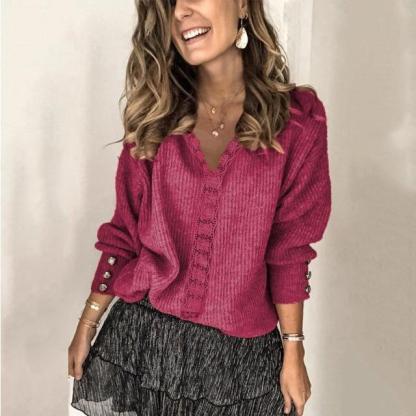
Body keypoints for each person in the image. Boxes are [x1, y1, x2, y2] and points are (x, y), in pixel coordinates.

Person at [68, 0, 332, 415]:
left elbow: (289, 250)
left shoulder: (297, 121)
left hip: (239, 363)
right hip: (142, 344)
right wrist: (88, 322)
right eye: (170, 4)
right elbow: (124, 232)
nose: (180, 12)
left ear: (242, 4)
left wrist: (294, 350)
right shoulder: (157, 116)